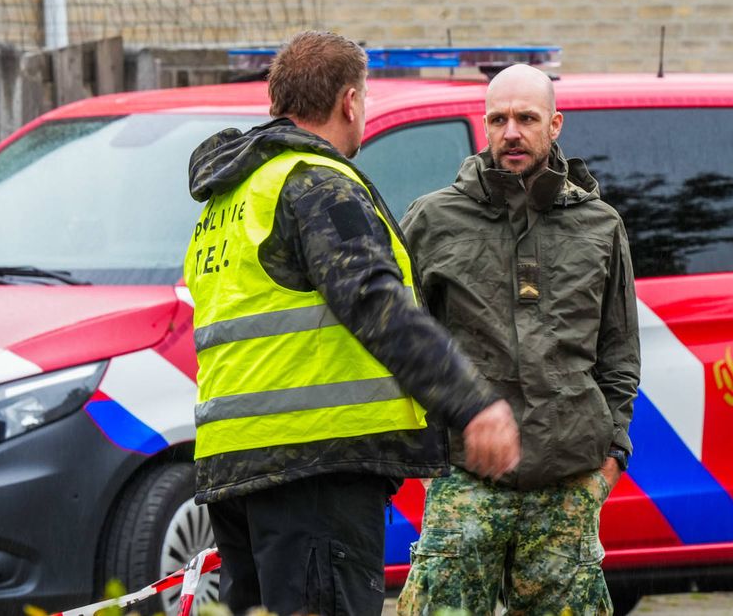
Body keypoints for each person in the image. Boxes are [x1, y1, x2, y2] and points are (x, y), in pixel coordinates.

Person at [183, 31, 520, 616]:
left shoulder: (230, 196)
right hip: (313, 467)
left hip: (234, 467)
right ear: (349, 102)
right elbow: (373, 300)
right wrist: (470, 403)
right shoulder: (315, 184)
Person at [396, 64, 641, 616]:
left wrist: (611, 459)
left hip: (568, 483)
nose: (511, 132)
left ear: (555, 125)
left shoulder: (600, 226)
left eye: (526, 118)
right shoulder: (433, 220)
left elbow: (619, 354)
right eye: (498, 119)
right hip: (467, 480)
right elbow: (399, 339)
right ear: (484, 126)